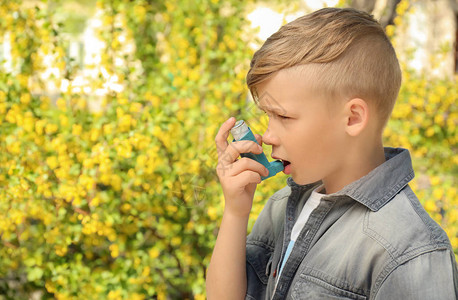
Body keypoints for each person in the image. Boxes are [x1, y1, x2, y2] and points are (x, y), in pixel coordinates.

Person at [206, 7, 458, 300]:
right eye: (266, 116)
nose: (269, 135)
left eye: (283, 117)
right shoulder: (280, 207)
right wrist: (236, 212)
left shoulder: (409, 250)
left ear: (352, 118)